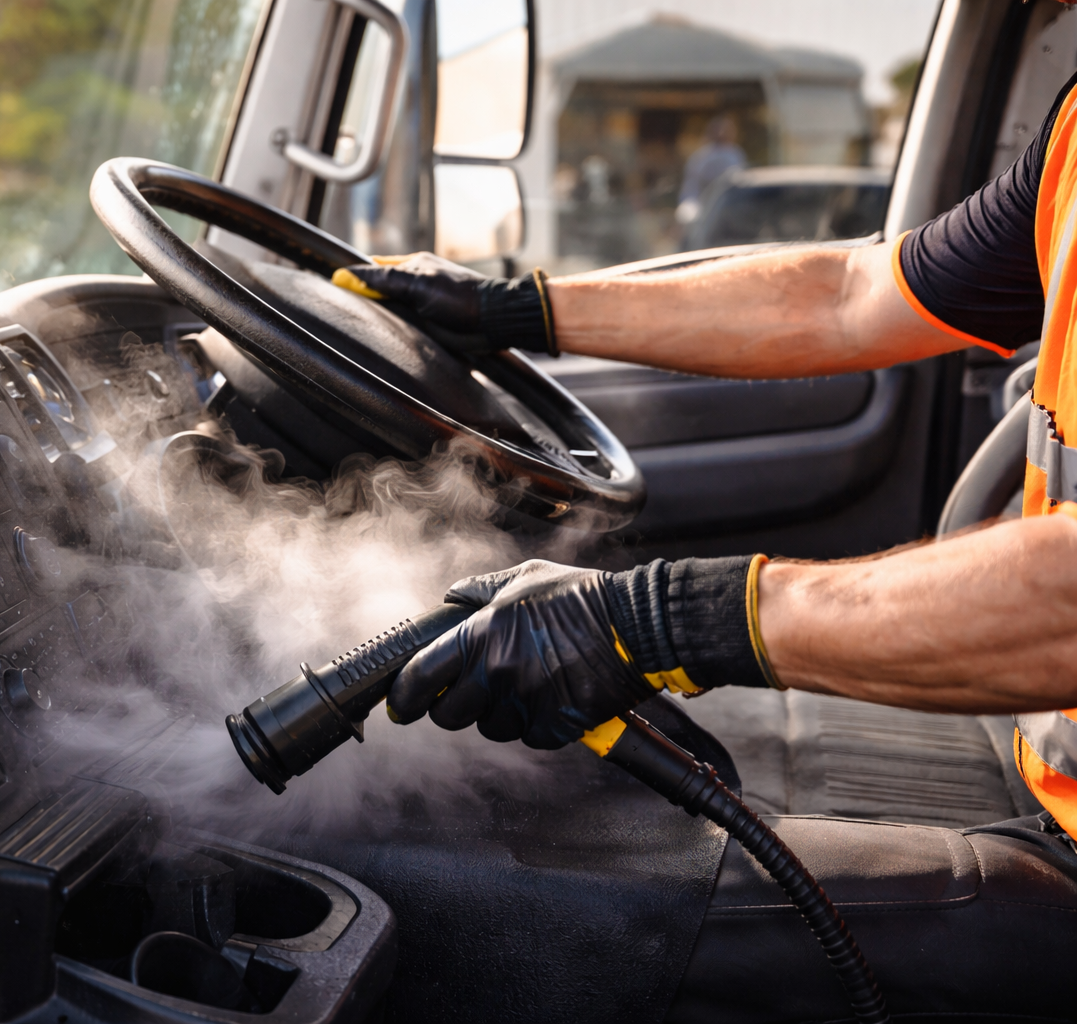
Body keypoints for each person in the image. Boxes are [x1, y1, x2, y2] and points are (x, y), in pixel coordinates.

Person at [330, 66, 1077, 1021]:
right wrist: (512, 311)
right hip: (1043, 774)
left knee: (480, 915)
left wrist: (659, 621)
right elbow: (849, 294)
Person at [676, 114, 746, 226]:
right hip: (702, 206)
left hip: (731, 206)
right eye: (718, 130)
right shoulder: (701, 156)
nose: (721, 133)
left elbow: (739, 181)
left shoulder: (735, 154)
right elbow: (690, 190)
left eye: (725, 130)